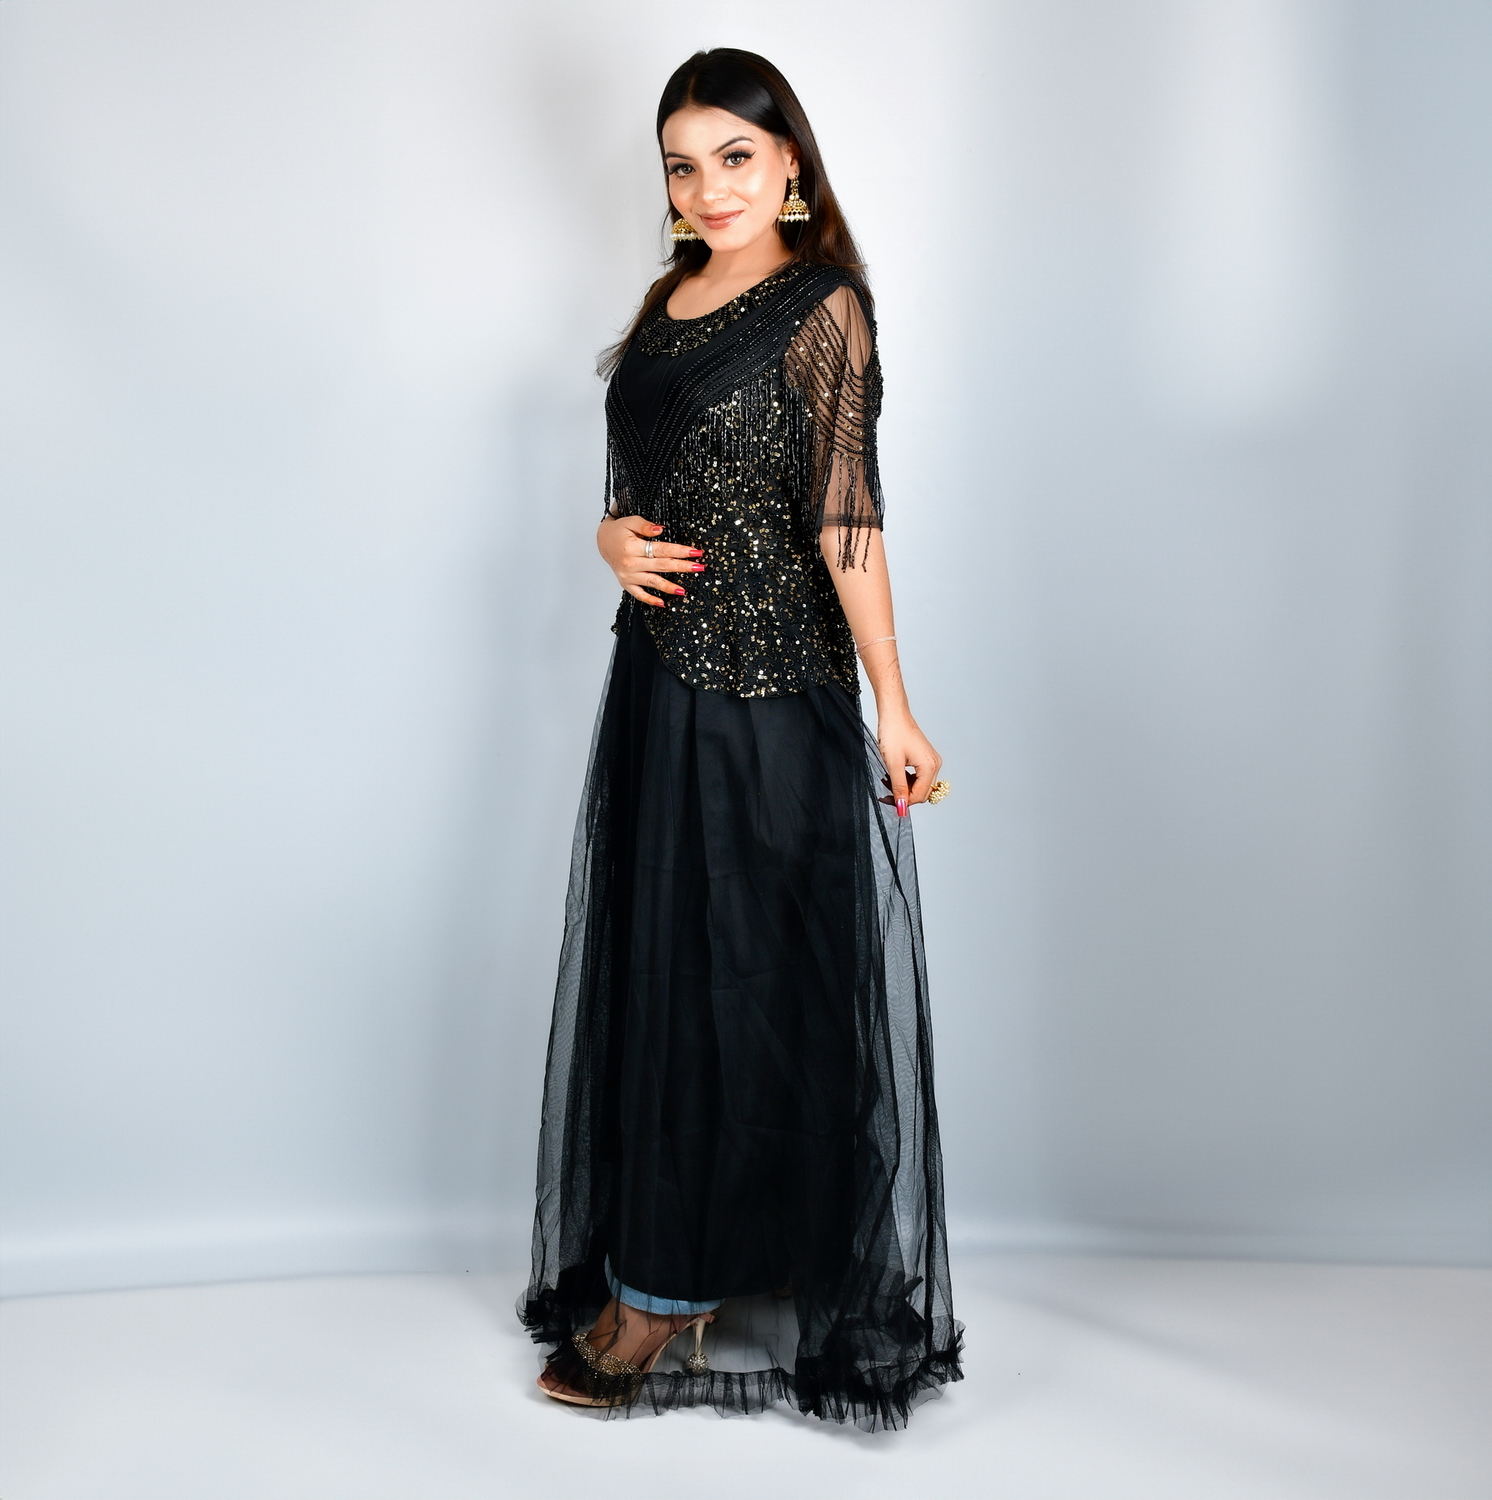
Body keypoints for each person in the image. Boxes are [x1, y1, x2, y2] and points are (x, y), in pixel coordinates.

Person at [518, 47, 961, 1428]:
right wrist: (608, 536)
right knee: (663, 974)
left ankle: (696, 1283)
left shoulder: (824, 308)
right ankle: (666, 1275)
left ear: (790, 165)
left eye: (735, 157)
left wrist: (895, 702)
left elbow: (846, 517)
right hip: (660, 688)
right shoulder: (668, 303)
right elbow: (645, 481)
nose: (708, 188)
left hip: (774, 698)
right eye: (683, 164)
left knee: (761, 983)